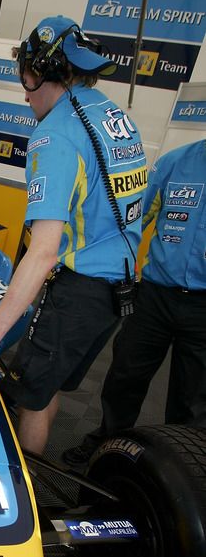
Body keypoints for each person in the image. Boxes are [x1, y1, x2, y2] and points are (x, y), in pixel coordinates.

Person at [0, 15, 147, 455]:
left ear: (43, 71)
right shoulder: (114, 114)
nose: (24, 92)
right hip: (119, 288)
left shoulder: (55, 135)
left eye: (26, 76)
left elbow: (42, 253)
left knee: (30, 397)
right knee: (50, 384)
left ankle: (26, 501)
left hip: (80, 290)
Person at [62, 139, 206, 467]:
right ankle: (108, 442)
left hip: (203, 308)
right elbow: (135, 220)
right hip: (155, 294)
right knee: (125, 374)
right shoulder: (174, 162)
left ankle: (181, 470)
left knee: (192, 399)